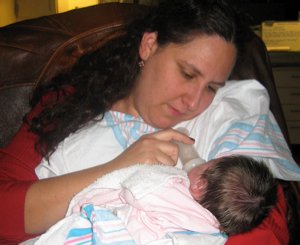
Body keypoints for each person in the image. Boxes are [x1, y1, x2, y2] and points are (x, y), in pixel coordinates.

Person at [0, 0, 300, 244]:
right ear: (149, 45)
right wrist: (117, 167)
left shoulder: (230, 115)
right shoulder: (66, 105)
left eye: (212, 87)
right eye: (187, 73)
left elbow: (262, 227)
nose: (194, 102)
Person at [31, 155, 277, 245]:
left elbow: (134, 187)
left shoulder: (171, 184)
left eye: (209, 162)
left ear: (200, 184)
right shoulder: (213, 235)